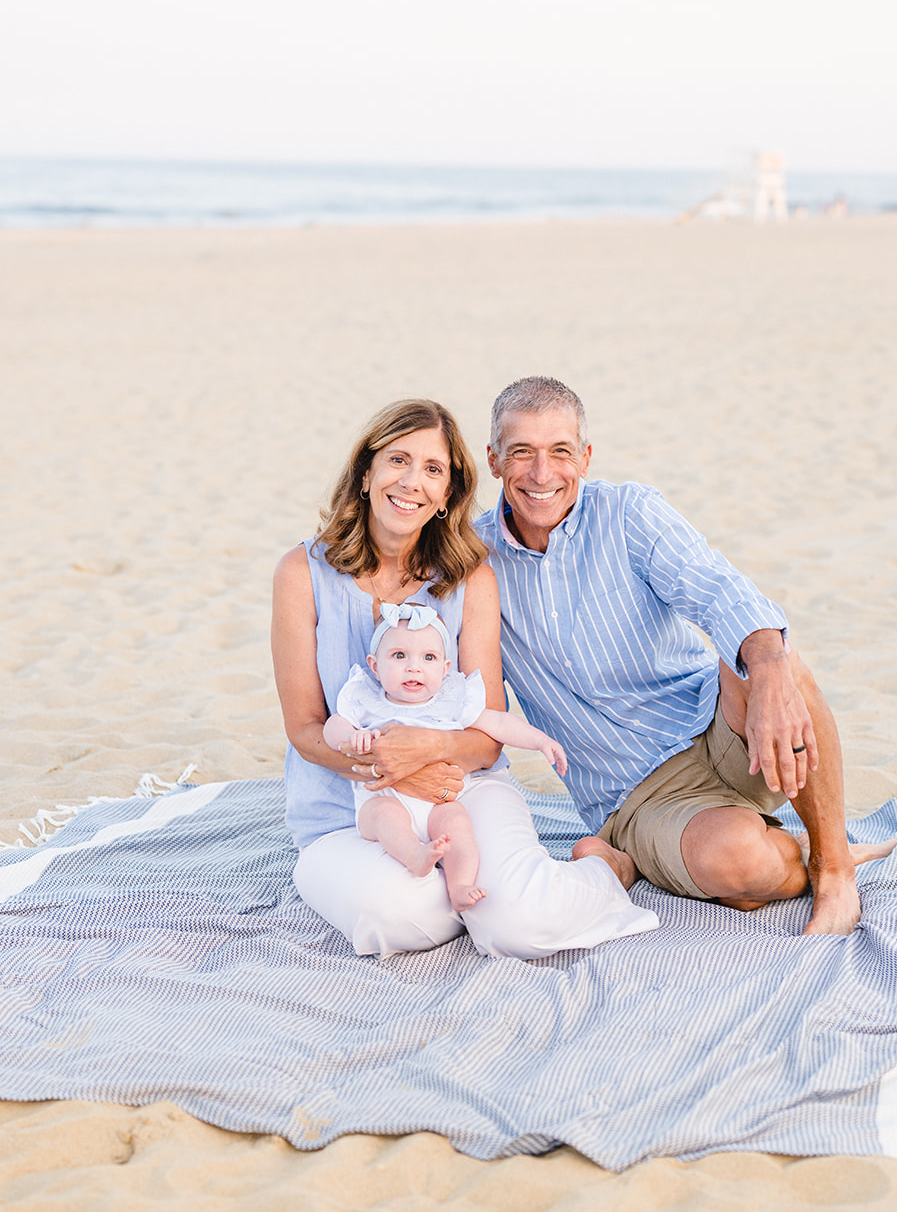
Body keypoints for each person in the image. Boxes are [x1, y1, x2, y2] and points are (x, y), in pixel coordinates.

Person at [477, 376, 896, 937]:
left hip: (714, 722)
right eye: (521, 452)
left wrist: (770, 669)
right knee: (743, 869)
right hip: (638, 796)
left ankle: (835, 865)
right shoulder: (473, 564)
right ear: (493, 461)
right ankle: (763, 848)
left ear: (586, 456)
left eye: (560, 451)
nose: (542, 473)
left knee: (774, 653)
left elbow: (721, 592)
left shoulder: (628, 514)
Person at [271, 396, 658, 957]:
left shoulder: (470, 576)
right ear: (365, 473)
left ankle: (602, 870)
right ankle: (470, 898)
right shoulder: (301, 572)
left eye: (433, 470)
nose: (412, 482)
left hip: (463, 789)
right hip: (348, 810)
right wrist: (393, 768)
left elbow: (484, 734)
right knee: (400, 917)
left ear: (448, 494)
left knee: (520, 925)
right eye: (398, 460)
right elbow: (305, 728)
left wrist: (426, 755)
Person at [324, 601, 568, 911]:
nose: (414, 667)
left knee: (457, 823)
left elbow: (499, 722)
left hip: (439, 803)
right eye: (399, 656)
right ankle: (414, 855)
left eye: (428, 658)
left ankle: (460, 884)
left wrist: (541, 741)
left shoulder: (451, 700)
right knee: (384, 815)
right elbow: (332, 726)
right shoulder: (366, 699)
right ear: (375, 666)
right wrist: (349, 737)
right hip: (384, 799)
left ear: (445, 668)